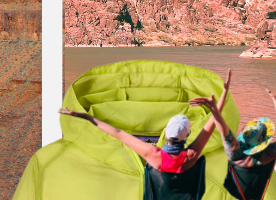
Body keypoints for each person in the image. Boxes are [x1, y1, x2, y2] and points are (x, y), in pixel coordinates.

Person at [59, 69, 232, 172]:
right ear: (187, 134)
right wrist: (222, 95)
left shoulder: (153, 154)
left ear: (165, 131)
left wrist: (87, 116)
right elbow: (210, 125)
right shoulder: (191, 157)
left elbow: (118, 133)